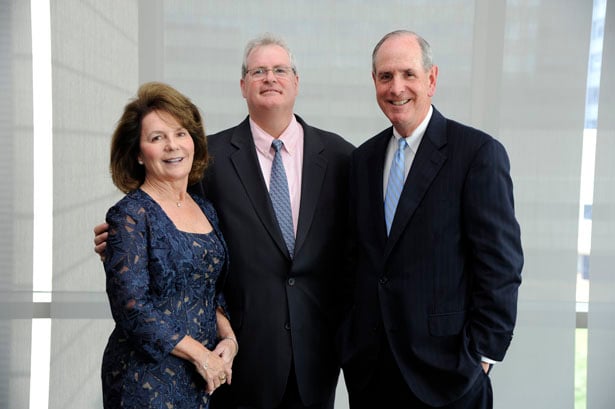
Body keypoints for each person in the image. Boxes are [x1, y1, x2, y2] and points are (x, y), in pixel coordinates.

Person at [95, 34, 354, 409]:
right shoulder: (207, 159)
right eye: (258, 71)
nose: (270, 78)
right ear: (243, 86)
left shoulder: (342, 157)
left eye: (280, 69)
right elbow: (162, 209)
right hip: (234, 364)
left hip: (314, 354)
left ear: (296, 81)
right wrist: (121, 240)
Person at [338, 30, 523, 409]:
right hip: (372, 376)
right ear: (374, 82)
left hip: (450, 376)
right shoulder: (363, 160)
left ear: (432, 79)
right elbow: (356, 261)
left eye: (408, 74)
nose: (396, 87)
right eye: (386, 76)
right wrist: (350, 344)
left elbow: (500, 266)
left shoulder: (477, 154)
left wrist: (482, 357)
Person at [100, 82, 238, 409]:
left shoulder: (205, 209)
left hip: (199, 375)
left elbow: (210, 290)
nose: (172, 146)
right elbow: (132, 309)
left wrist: (229, 341)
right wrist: (201, 355)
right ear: (137, 153)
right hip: (146, 377)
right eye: (157, 138)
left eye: (180, 133)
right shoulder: (129, 215)